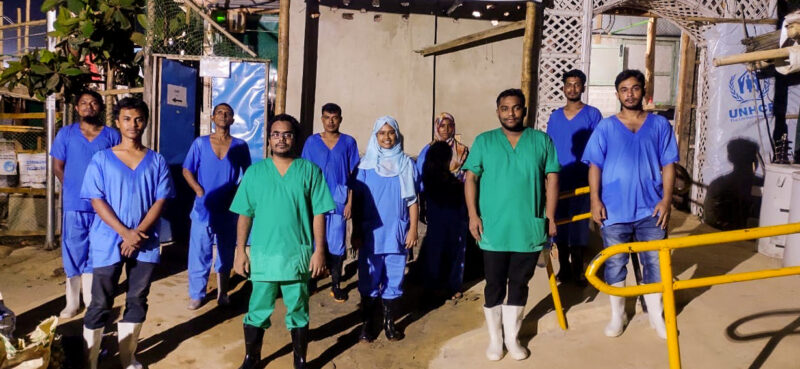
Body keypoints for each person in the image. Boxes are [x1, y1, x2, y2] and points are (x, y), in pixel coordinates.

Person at [230, 114, 334, 369]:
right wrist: (240, 250)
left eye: (287, 134)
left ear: (295, 139)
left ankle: (300, 359)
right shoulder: (255, 173)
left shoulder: (309, 171)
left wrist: (320, 250)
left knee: (298, 310)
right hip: (264, 256)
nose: (281, 139)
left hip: (297, 255)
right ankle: (251, 358)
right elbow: (245, 214)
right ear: (269, 139)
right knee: (257, 308)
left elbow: (319, 212)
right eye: (276, 134)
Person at [581, 69, 678, 339]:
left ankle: (657, 316)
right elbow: (595, 166)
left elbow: (669, 164)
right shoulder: (607, 127)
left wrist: (667, 200)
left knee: (655, 263)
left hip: (651, 209)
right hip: (614, 209)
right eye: (624, 89)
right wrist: (595, 200)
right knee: (614, 263)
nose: (630, 94)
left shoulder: (659, 125)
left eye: (635, 88)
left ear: (643, 92)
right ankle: (618, 315)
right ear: (617, 94)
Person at [463, 89, 559, 361]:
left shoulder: (541, 141)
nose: (511, 113)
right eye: (504, 108)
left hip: (528, 226)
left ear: (524, 110)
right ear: (497, 112)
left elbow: (552, 178)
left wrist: (550, 216)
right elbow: (470, 178)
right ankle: (495, 340)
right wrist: (473, 215)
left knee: (519, 283)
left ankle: (512, 338)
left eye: (516, 108)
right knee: (493, 284)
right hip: (493, 228)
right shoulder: (485, 141)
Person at [80, 98, 175, 369]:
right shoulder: (102, 159)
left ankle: (128, 357)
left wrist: (138, 233)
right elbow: (96, 199)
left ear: (145, 121)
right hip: (108, 239)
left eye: (138, 119)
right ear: (117, 122)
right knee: (100, 301)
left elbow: (160, 200)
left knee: (137, 297)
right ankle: (90, 361)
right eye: (126, 119)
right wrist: (124, 232)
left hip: (144, 242)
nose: (132, 125)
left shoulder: (156, 160)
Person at [50, 90, 121, 319]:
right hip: (74, 203)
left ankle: (91, 299)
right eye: (83, 103)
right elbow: (58, 166)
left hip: (104, 206)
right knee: (73, 251)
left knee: (97, 251)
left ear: (100, 107)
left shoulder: (112, 136)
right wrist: (73, 187)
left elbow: (119, 166)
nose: (88, 107)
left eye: (93, 103)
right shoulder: (66, 134)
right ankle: (72, 302)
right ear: (77, 108)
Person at [351, 116, 419, 343]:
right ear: (375, 136)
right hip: (370, 233)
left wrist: (412, 230)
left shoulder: (406, 163)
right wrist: (355, 232)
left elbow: (412, 200)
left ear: (397, 135)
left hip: (396, 232)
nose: (387, 137)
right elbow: (357, 203)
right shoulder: (365, 165)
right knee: (369, 278)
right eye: (382, 133)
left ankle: (389, 323)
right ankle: (369, 323)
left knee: (394, 277)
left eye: (391, 132)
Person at [183, 103, 251, 310]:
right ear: (213, 118)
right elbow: (187, 170)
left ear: (232, 120)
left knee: (225, 252)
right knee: (199, 252)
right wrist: (198, 189)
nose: (223, 116)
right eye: (219, 112)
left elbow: (249, 174)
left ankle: (223, 292)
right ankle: (197, 294)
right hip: (204, 208)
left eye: (228, 113)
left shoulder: (239, 145)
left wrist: (237, 193)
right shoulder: (200, 143)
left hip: (228, 208)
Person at [545, 69, 602, 286]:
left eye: (577, 84)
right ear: (563, 87)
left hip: (582, 178)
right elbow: (549, 147)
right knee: (559, 223)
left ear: (583, 88)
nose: (572, 88)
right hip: (558, 178)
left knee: (578, 225)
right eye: (569, 84)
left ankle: (578, 268)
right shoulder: (555, 116)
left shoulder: (593, 114)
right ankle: (564, 268)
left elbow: (598, 147)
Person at [301, 103, 359, 302]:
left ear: (340, 119)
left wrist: (350, 202)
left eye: (334, 117)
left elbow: (353, 175)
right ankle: (311, 281)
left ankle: (336, 284)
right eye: (327, 117)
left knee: (337, 244)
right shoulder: (311, 142)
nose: (331, 121)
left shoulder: (349, 142)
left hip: (339, 200)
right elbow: (304, 173)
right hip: (315, 200)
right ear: (322, 119)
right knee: (314, 241)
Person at [417, 141, 468, 300]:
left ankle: (433, 287)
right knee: (450, 253)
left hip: (438, 219)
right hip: (450, 218)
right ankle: (448, 287)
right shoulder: (442, 177)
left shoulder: (429, 173)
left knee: (435, 253)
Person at [415, 112, 469, 182]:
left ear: (453, 127)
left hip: (457, 190)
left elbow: (468, 176)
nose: (446, 129)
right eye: (442, 126)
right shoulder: (429, 149)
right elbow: (420, 172)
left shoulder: (462, 150)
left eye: (450, 125)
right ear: (437, 127)